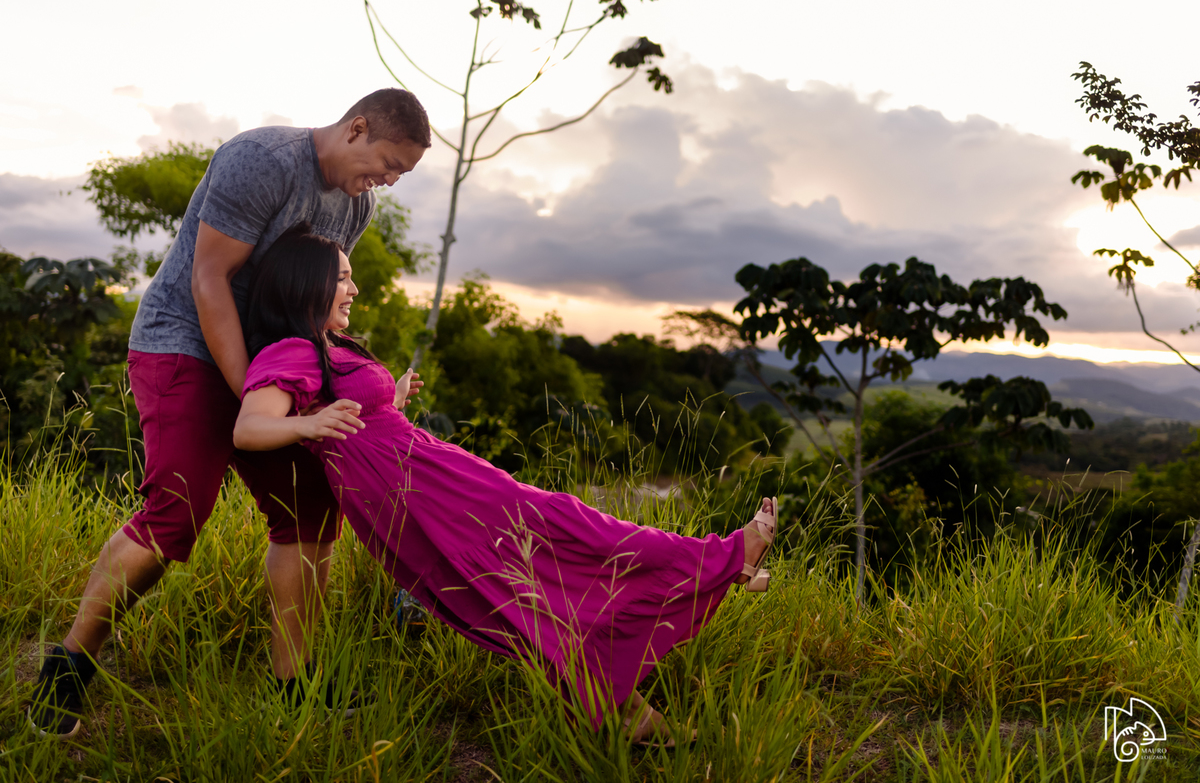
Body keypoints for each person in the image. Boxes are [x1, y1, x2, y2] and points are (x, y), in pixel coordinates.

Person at [232, 224, 778, 744]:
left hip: (429, 475)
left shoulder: (330, 347)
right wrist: (307, 425)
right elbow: (249, 428)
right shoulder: (290, 351)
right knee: (553, 539)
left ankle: (627, 703)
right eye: (343, 277)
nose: (354, 288)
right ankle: (723, 560)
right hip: (418, 494)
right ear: (307, 283)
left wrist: (389, 399)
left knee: (531, 570)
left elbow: (354, 421)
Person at [27, 90, 432, 739]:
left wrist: (327, 386)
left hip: (273, 360)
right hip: (182, 341)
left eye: (400, 174)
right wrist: (254, 396)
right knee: (177, 510)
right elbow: (209, 279)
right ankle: (69, 664)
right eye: (388, 162)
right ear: (357, 128)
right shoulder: (263, 160)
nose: (388, 180)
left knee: (309, 506)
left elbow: (310, 298)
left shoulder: (356, 205)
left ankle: (294, 684)